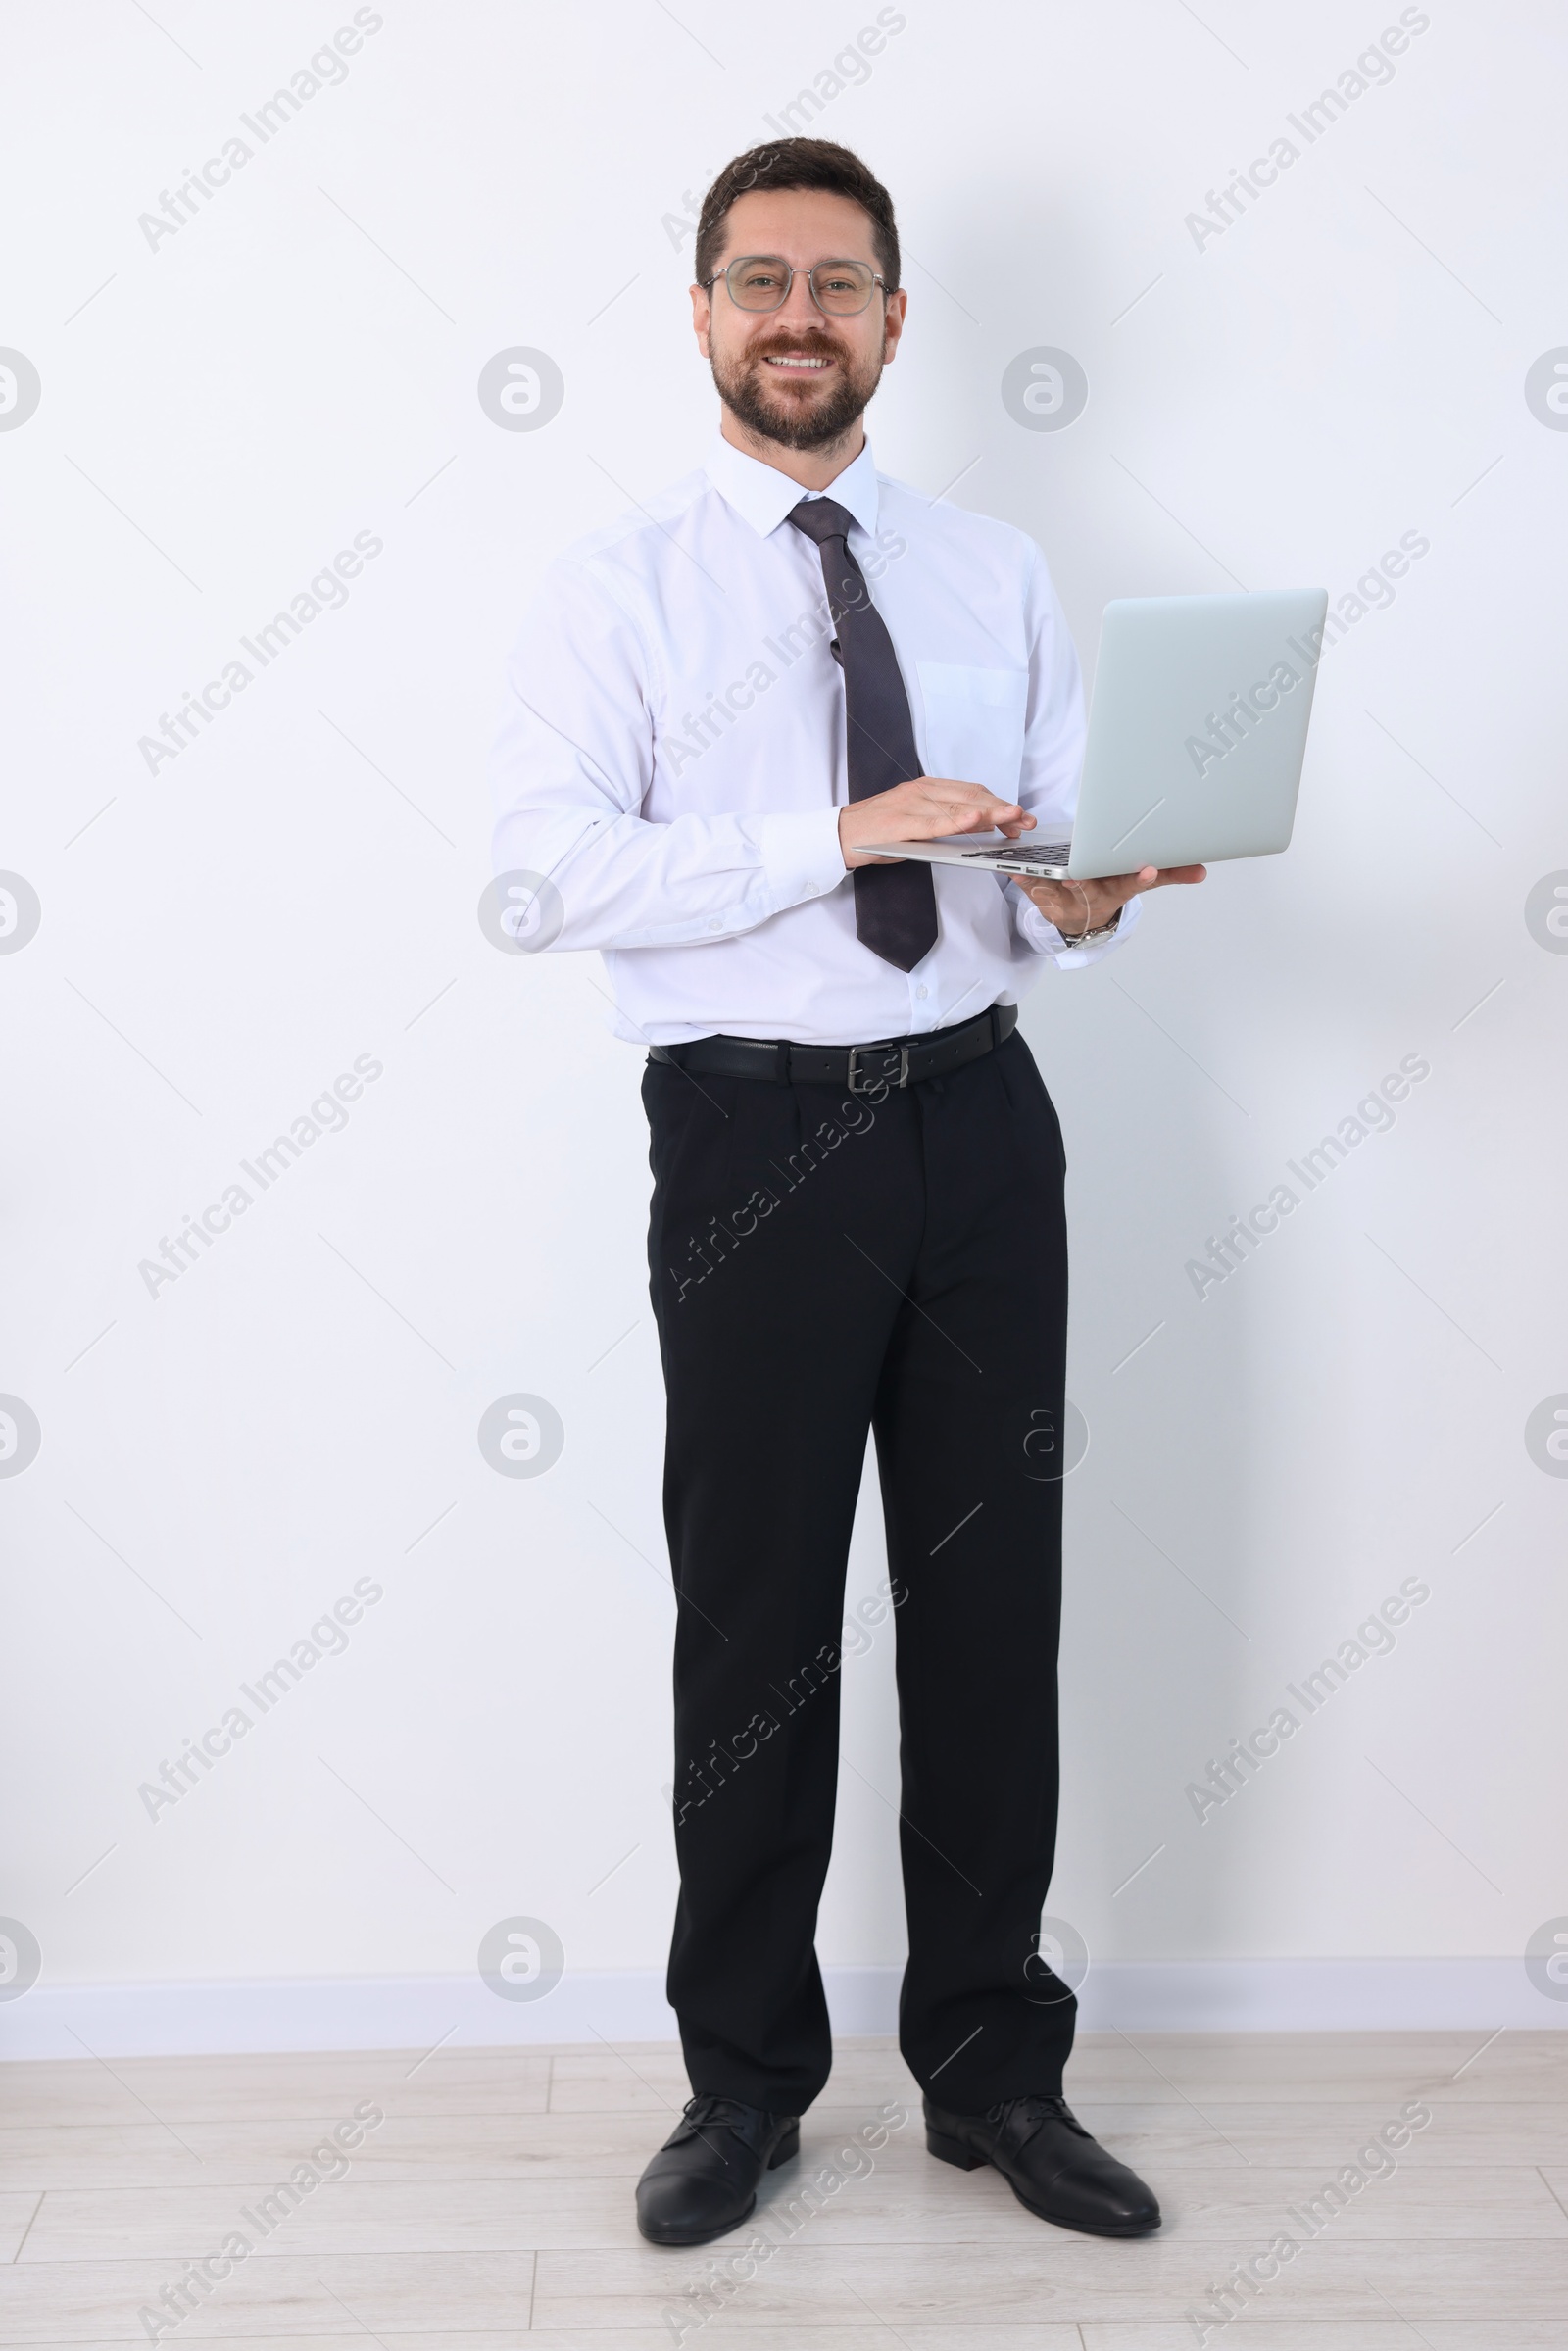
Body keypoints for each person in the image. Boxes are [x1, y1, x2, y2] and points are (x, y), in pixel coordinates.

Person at [490, 136, 1203, 2249]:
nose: (796, 315)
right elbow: (548, 871)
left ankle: (990, 2066)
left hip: (980, 1128)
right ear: (702, 315)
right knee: (760, 1628)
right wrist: (834, 826)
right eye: (757, 280)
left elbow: (1047, 847)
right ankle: (744, 2087)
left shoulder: (991, 569)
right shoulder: (613, 590)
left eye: (838, 283)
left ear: (896, 320)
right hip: (748, 1141)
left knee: (991, 1610)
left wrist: (1086, 891)